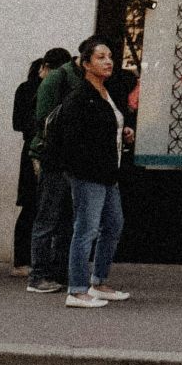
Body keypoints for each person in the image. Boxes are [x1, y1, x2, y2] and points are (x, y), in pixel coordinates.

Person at [44, 37, 133, 308]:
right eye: (100, 57)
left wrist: (123, 132)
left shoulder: (106, 92)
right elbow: (73, 139)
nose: (108, 62)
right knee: (86, 229)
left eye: (110, 57)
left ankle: (99, 281)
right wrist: (83, 168)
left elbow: (106, 126)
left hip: (108, 173)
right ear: (86, 64)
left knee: (113, 225)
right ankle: (77, 289)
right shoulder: (80, 96)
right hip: (89, 174)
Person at [27, 45, 91, 293]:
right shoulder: (58, 78)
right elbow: (43, 119)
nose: (107, 62)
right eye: (101, 56)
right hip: (55, 157)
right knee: (48, 216)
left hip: (75, 159)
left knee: (67, 218)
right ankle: (38, 275)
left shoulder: (88, 80)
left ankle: (59, 270)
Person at [12, 48, 69, 275]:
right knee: (32, 205)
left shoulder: (64, 89)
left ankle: (45, 260)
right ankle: (22, 260)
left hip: (53, 151)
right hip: (35, 150)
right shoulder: (28, 89)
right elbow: (19, 122)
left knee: (49, 207)